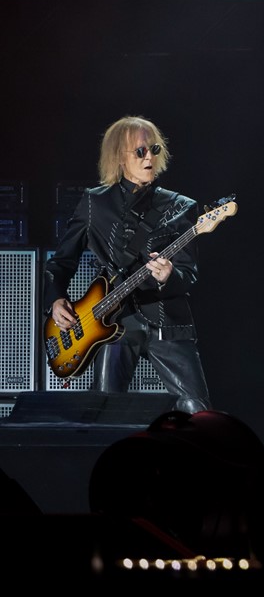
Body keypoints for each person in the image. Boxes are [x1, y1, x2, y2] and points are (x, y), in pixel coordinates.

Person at [44, 115, 211, 414]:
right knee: (106, 410)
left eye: (154, 150)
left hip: (167, 321)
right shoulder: (94, 203)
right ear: (119, 156)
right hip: (112, 321)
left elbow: (188, 273)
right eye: (140, 151)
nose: (149, 158)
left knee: (197, 410)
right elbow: (61, 261)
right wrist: (56, 299)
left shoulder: (181, 206)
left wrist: (169, 276)